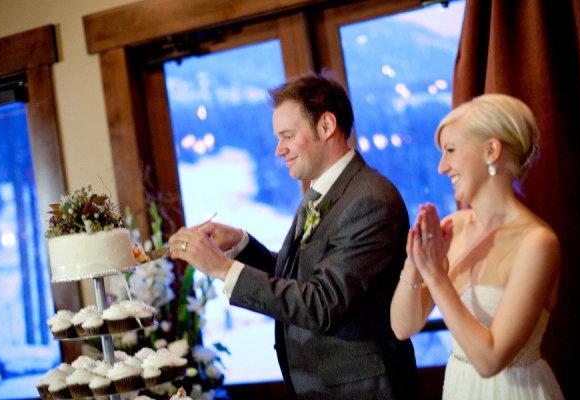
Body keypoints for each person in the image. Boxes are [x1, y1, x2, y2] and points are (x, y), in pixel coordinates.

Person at [168, 74, 420, 399]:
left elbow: (322, 303)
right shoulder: (321, 190)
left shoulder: (369, 199)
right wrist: (240, 245)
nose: (279, 149)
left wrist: (221, 268)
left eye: (287, 135)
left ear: (327, 126)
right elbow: (301, 278)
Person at [390, 94, 564, 399]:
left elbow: (490, 360)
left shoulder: (537, 242)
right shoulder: (455, 227)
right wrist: (414, 261)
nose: (442, 167)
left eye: (451, 151)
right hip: (460, 387)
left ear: (491, 150)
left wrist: (436, 275)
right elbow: (403, 327)